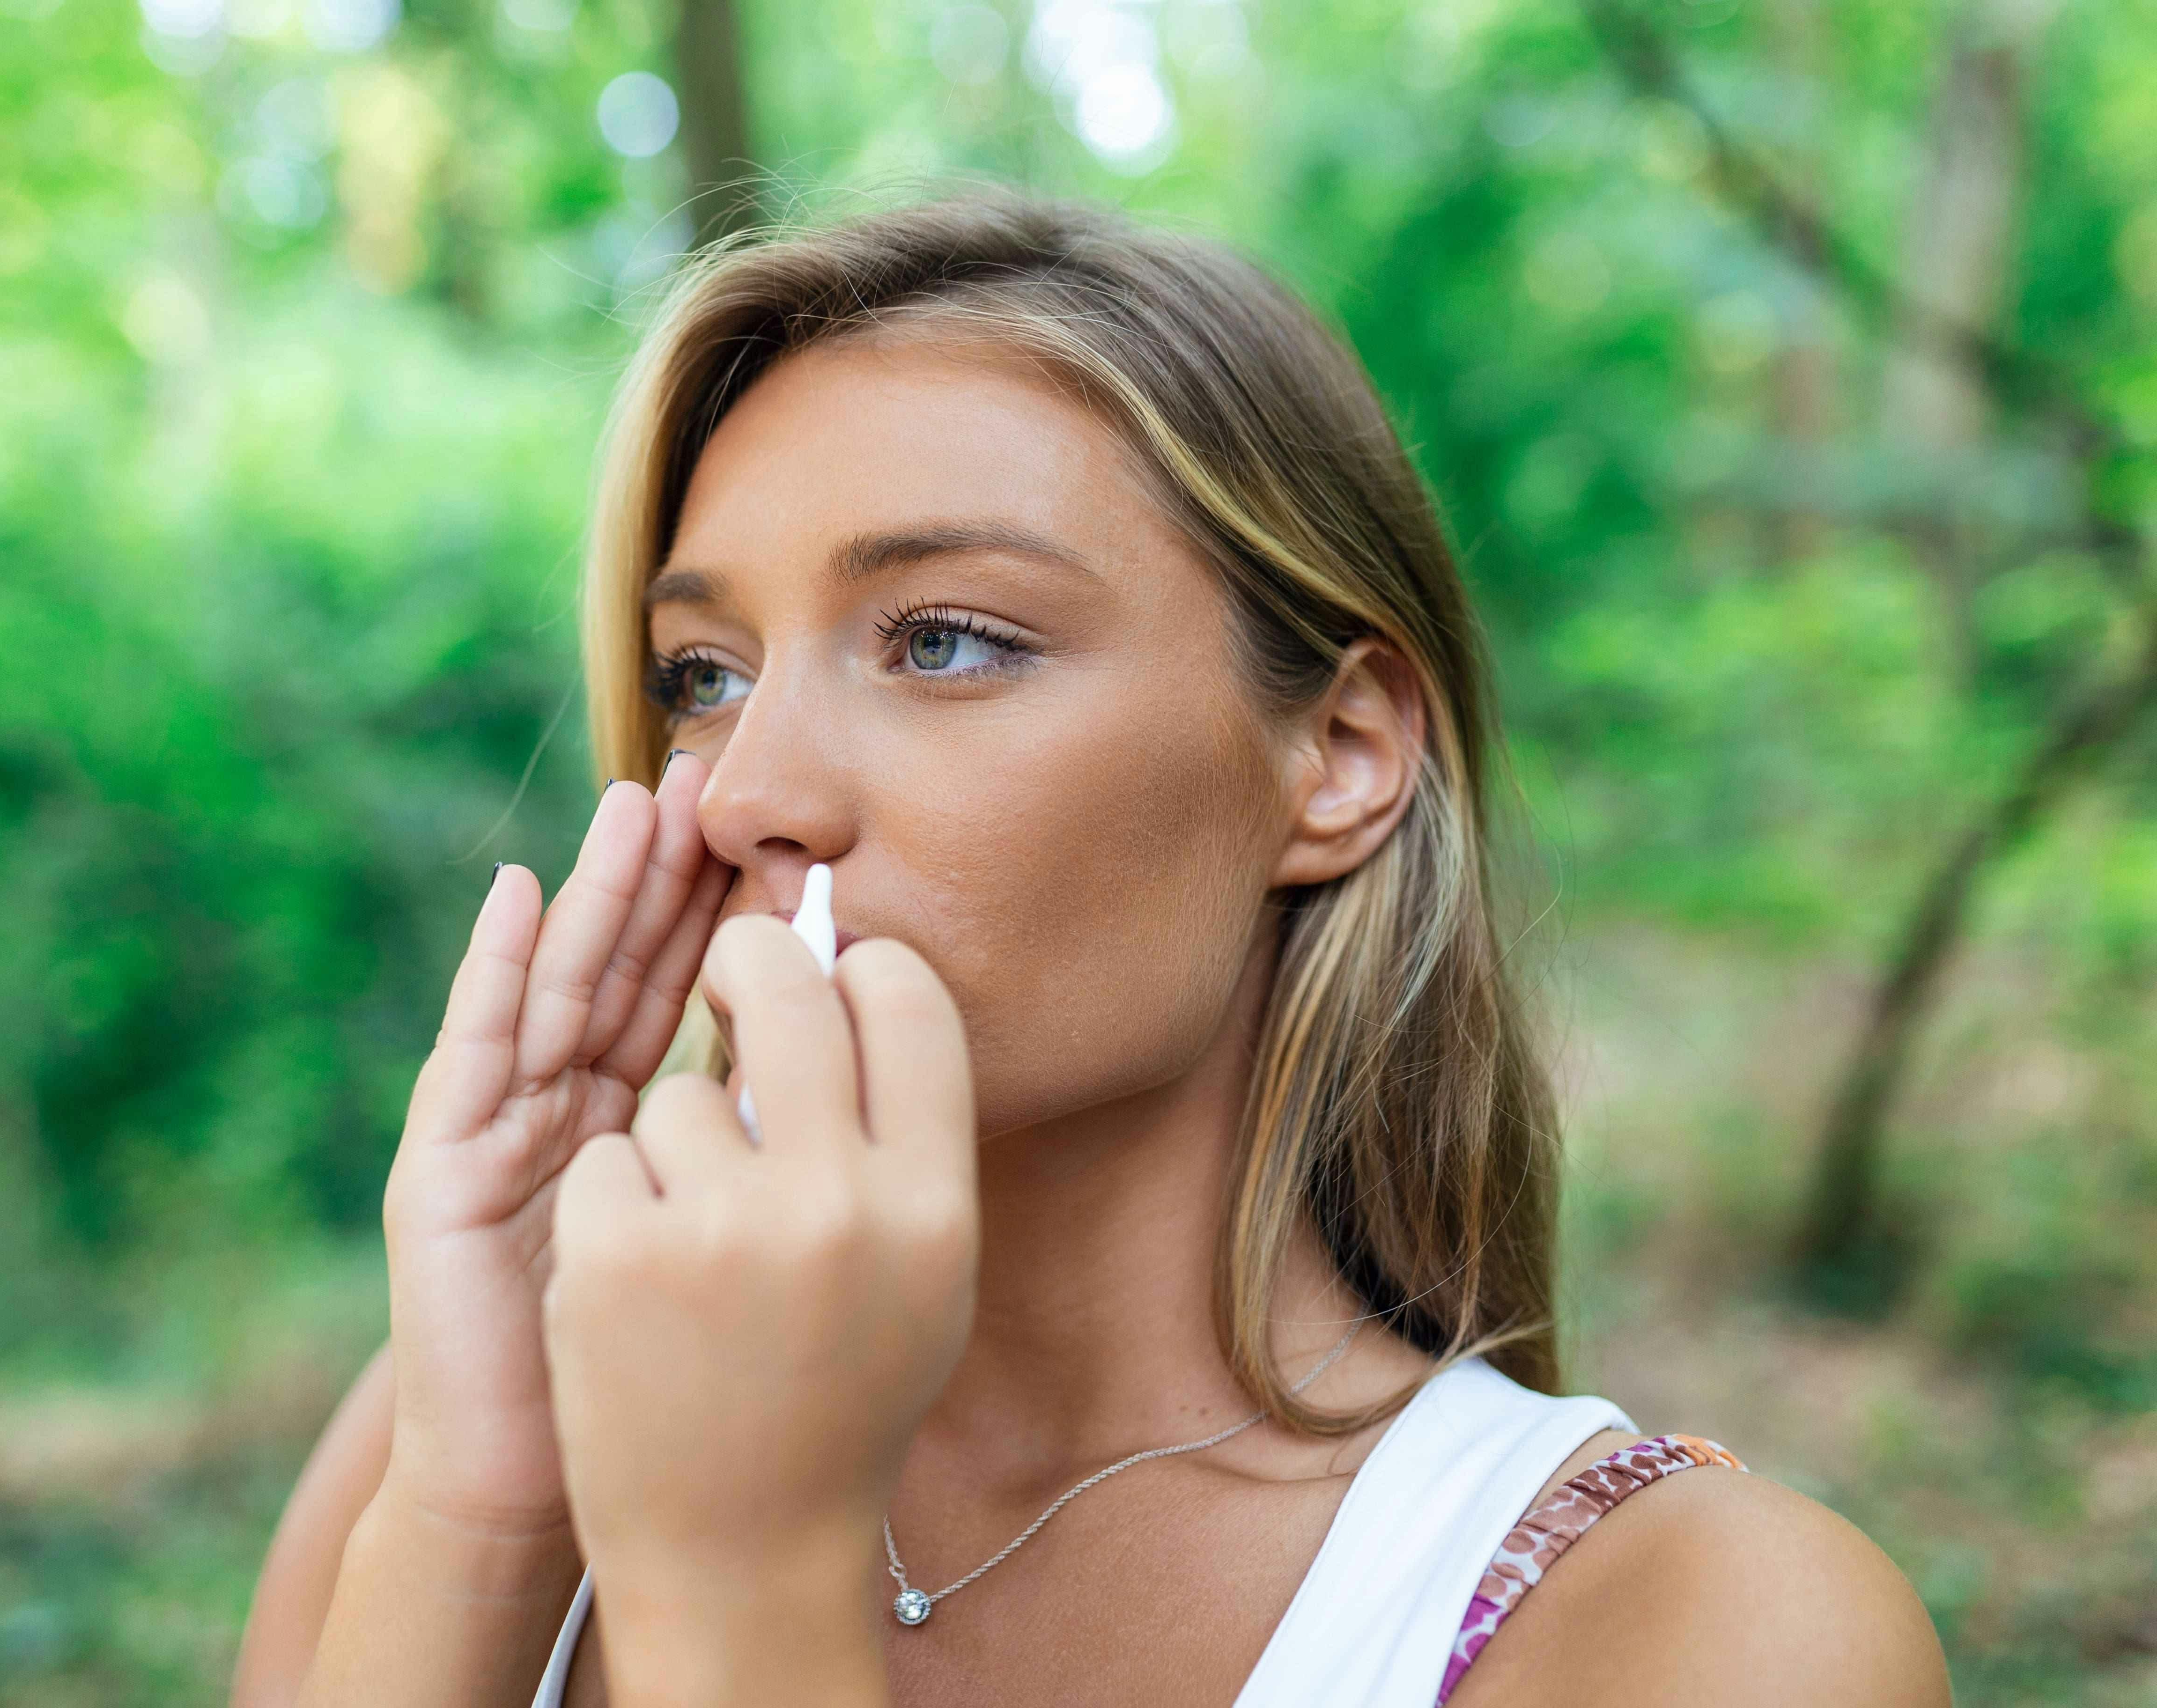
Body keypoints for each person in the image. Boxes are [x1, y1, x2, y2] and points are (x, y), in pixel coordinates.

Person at [229, 187, 1950, 1708]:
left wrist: (747, 1591)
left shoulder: (1698, 1628)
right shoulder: (447, 1428)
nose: (751, 791)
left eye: (949, 642)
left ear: (1337, 759)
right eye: (705, 673)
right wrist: (483, 1514)